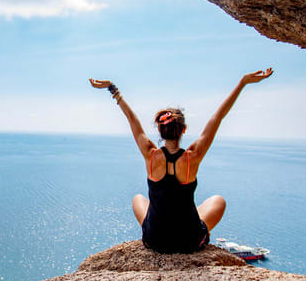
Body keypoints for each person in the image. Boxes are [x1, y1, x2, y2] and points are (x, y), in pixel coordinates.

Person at [89, 69, 273, 254]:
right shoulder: (193, 156)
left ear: (160, 131)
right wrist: (242, 83)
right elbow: (217, 118)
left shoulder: (150, 155)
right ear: (183, 129)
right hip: (189, 241)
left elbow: (131, 119)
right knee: (218, 201)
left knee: (138, 198)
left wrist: (113, 89)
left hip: (155, 240)